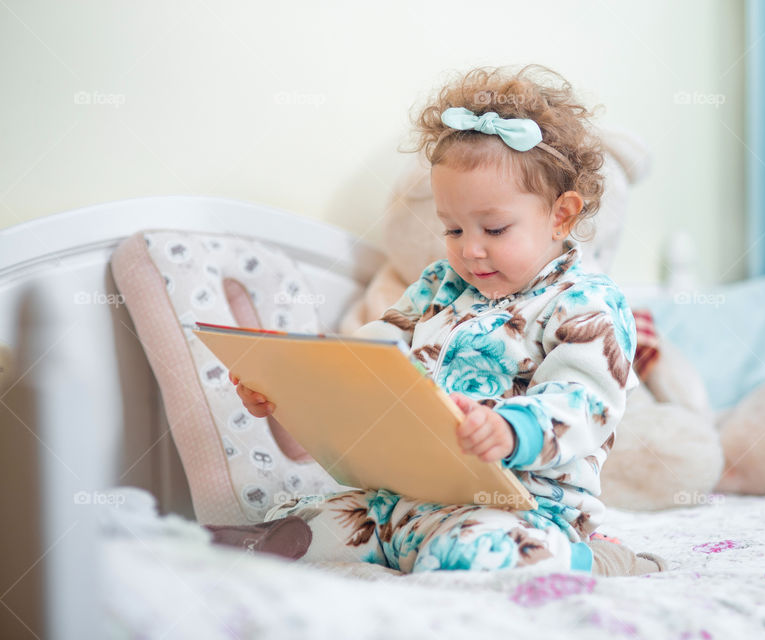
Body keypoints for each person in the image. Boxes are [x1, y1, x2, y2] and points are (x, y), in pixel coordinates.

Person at [229, 65, 666, 575]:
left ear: (561, 215)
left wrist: (509, 428)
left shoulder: (587, 303)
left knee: (468, 552)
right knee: (303, 526)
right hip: (403, 496)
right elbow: (375, 353)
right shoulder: (439, 286)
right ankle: (269, 542)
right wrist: (297, 382)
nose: (471, 249)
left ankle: (600, 561)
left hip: (522, 508)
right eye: (453, 228)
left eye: (495, 228)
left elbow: (585, 404)